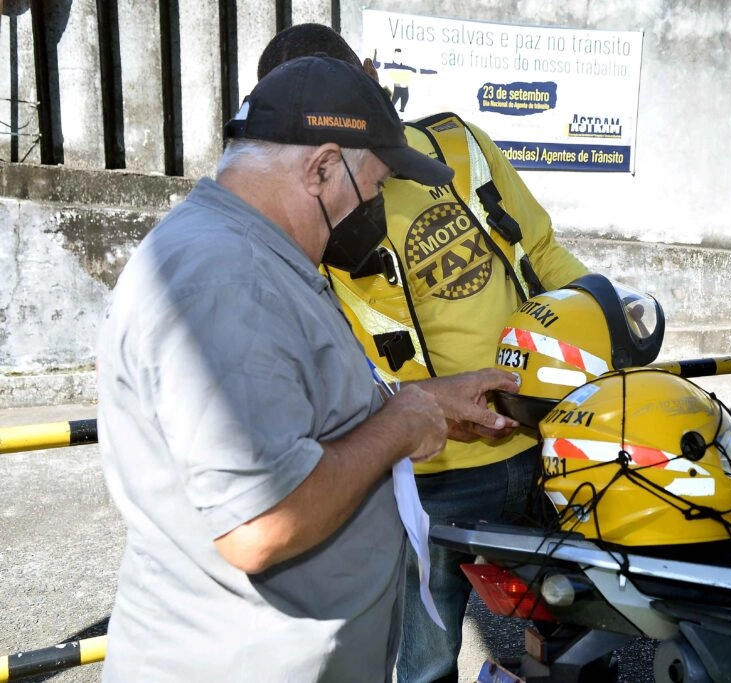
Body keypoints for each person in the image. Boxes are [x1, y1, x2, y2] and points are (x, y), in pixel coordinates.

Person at [97, 55, 519, 682]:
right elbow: (259, 523)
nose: (375, 208)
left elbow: (304, 411)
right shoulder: (229, 280)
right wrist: (400, 427)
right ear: (322, 167)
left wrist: (424, 401)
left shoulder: (255, 255)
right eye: (373, 187)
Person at [257, 26, 593, 683]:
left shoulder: (456, 146)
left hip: (548, 430)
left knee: (576, 611)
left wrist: (605, 333)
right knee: (425, 655)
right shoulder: (301, 210)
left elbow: (544, 251)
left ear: (370, 73)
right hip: (428, 470)